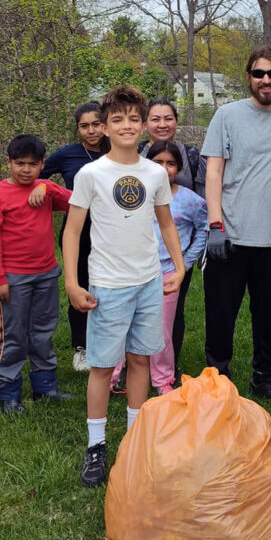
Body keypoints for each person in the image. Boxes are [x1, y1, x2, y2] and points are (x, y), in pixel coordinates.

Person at [62, 84, 185, 488]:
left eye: (135, 118)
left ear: (144, 123)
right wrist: (72, 281)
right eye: (118, 119)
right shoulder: (91, 174)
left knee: (140, 362)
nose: (127, 125)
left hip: (148, 282)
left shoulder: (153, 171)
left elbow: (166, 222)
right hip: (108, 285)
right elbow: (73, 230)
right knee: (100, 366)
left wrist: (180, 267)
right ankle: (96, 447)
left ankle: (135, 441)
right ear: (105, 127)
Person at [201, 47, 271, 403]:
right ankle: (217, 375)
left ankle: (263, 377)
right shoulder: (227, 115)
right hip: (230, 233)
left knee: (266, 315)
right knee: (221, 311)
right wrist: (215, 223)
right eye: (259, 73)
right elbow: (214, 171)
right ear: (248, 76)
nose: (266, 80)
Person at [0, 134, 73, 413]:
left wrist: (47, 186)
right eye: (19, 163)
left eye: (32, 165)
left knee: (43, 331)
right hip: (13, 279)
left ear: (42, 164)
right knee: (14, 334)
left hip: (46, 274)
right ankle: (8, 389)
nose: (25, 170)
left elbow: (75, 202)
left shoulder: (43, 190)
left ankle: (45, 385)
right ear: (7, 163)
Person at [113, 140, 207, 396]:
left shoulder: (190, 200)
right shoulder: (133, 194)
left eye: (171, 163)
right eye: (157, 163)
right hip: (132, 272)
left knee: (163, 329)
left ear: (179, 168)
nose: (164, 169)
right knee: (124, 323)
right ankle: (113, 375)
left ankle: (163, 379)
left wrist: (184, 264)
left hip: (166, 274)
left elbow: (204, 229)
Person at [41, 101, 107, 373]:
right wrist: (44, 186)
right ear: (78, 128)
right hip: (77, 231)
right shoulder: (67, 155)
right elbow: (34, 172)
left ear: (104, 125)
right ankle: (82, 347)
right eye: (84, 126)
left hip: (111, 231)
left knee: (107, 285)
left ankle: (109, 342)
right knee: (79, 285)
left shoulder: (118, 151)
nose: (90, 131)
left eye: (95, 124)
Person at [138, 98, 205, 368]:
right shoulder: (133, 154)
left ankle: (168, 365)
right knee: (135, 312)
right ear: (145, 124)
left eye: (168, 118)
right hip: (139, 253)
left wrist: (187, 260)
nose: (162, 124)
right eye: (155, 119)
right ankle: (133, 364)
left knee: (171, 313)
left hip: (177, 253)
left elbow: (200, 207)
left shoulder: (190, 155)